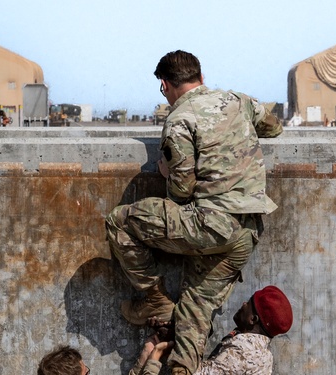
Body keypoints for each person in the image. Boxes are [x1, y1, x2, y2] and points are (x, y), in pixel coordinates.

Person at [105, 50, 283, 375]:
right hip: (248, 230)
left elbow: (181, 191)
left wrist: (164, 171)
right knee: (195, 307)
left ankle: (154, 298)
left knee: (120, 221)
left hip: (209, 225)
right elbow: (273, 127)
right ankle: (183, 369)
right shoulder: (237, 99)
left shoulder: (179, 120)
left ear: (164, 85)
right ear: (200, 76)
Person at [130, 285, 293, 375]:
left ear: (253, 319)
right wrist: (178, 339)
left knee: (151, 350)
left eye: (248, 303)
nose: (243, 304)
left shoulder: (240, 353)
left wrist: (156, 355)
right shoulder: (264, 357)